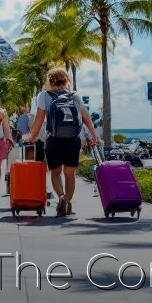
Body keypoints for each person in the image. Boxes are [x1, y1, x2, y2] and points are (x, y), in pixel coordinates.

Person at [27, 68, 98, 216]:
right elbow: (86, 118)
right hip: (73, 140)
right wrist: (93, 135)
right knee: (70, 174)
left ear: (50, 80)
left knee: (55, 173)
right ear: (66, 80)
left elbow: (39, 119)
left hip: (54, 140)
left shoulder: (45, 95)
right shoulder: (75, 95)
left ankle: (61, 197)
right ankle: (68, 201)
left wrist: (32, 136)